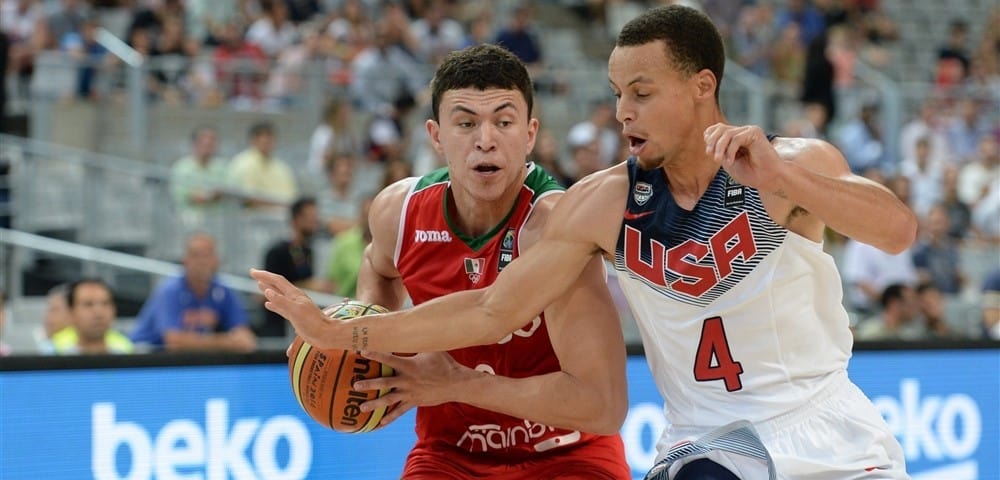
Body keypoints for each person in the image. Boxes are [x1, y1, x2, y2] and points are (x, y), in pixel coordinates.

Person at [253, 6, 916, 479]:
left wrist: (785, 178)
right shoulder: (603, 204)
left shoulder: (790, 164)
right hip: (708, 445)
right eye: (618, 94)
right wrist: (344, 333)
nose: (623, 111)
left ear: (701, 88)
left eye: (641, 93)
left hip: (825, 424)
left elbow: (897, 231)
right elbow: (493, 308)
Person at [292, 44, 632, 479]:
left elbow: (602, 406)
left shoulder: (556, 225)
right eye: (466, 123)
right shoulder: (399, 212)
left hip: (566, 451)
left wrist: (456, 383)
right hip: (449, 452)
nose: (485, 139)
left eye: (503, 122)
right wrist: (368, 338)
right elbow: (378, 267)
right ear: (436, 136)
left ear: (529, 134)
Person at [130, 233, 257, 352]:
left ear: (216, 260)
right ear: (185, 260)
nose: (202, 261)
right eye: (196, 255)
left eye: (208, 255)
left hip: (190, 359)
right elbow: (174, 341)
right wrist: (226, 342)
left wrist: (237, 339)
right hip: (145, 355)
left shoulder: (223, 290)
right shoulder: (170, 290)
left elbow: (244, 337)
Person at [257, 196, 325, 337]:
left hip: (300, 325)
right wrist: (308, 286)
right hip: (278, 327)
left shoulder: (308, 251)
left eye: (316, 217)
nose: (315, 222)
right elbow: (264, 294)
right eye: (310, 217)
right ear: (296, 219)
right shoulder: (277, 251)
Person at [52, 278, 134, 355]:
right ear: (71, 312)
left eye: (105, 303)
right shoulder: (54, 351)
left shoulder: (126, 350)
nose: (98, 312)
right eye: (88, 304)